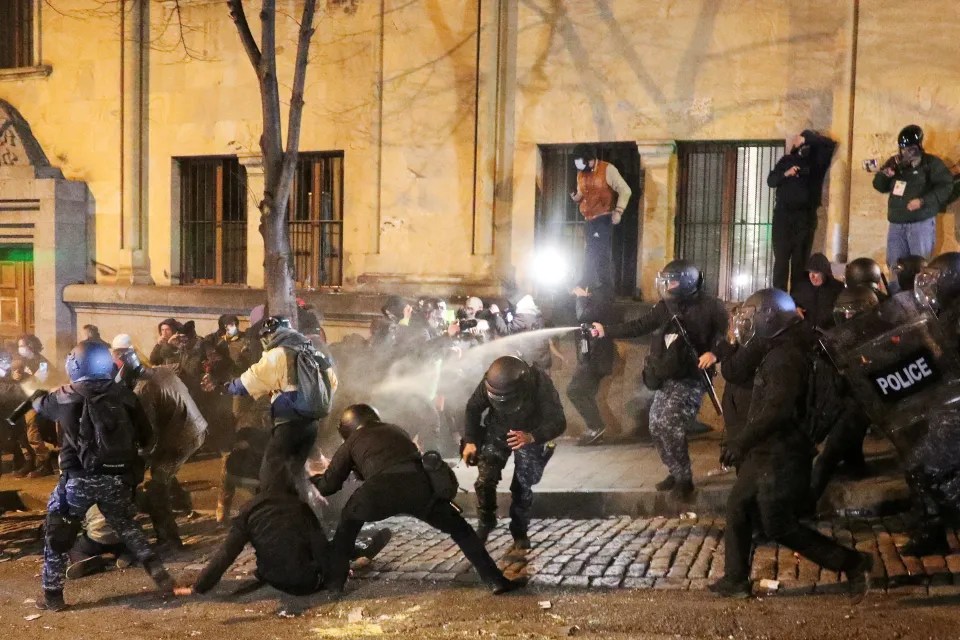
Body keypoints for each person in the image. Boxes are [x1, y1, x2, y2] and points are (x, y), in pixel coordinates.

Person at [709, 289, 872, 600]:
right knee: (739, 508)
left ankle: (855, 562)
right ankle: (735, 578)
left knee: (778, 524)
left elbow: (777, 410)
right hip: (769, 447)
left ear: (769, 317)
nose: (748, 323)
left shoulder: (786, 356)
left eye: (752, 317)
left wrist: (742, 441)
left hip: (782, 451)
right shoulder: (781, 345)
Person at [313, 404, 525, 594]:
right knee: (461, 529)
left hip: (379, 492)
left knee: (346, 527)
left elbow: (329, 485)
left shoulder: (351, 443)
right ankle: (495, 580)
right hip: (419, 489)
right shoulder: (396, 430)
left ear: (348, 428)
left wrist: (308, 482)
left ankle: (335, 585)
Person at [33, 340, 174, 612]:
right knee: (127, 525)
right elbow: (147, 437)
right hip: (118, 478)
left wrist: (37, 395)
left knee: (57, 532)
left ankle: (52, 597)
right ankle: (161, 576)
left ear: (74, 365)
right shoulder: (125, 395)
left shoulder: (64, 395)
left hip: (77, 481)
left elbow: (40, 405)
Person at [593, 259, 727, 499]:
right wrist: (606, 331)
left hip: (691, 377)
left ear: (685, 282)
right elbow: (640, 326)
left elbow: (728, 337)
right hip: (667, 375)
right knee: (655, 426)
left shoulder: (711, 307)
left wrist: (714, 353)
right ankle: (675, 471)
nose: (667, 285)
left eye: (671, 281)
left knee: (670, 423)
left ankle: (684, 480)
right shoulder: (666, 306)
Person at [175, 449, 392, 598]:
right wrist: (335, 580)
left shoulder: (247, 511)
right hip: (307, 583)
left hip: (272, 577)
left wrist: (198, 587)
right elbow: (320, 547)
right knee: (334, 544)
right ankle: (360, 553)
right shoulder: (299, 507)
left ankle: (359, 553)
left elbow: (225, 554)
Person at [206, 316, 334, 515]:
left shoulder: (278, 354)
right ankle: (315, 509)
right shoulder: (310, 350)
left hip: (288, 423)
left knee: (270, 473)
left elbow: (250, 380)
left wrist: (226, 387)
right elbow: (332, 382)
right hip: (311, 424)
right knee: (296, 471)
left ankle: (272, 517)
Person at [462, 356, 566, 546]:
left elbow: (559, 421)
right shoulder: (490, 382)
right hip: (498, 431)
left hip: (529, 433)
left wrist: (532, 436)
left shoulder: (539, 383)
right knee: (484, 480)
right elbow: (472, 408)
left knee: (522, 485)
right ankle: (486, 522)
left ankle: (519, 531)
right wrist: (470, 441)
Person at [114, 346, 207, 550]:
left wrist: (138, 457)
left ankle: (169, 540)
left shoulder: (143, 390)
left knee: (157, 485)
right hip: (194, 427)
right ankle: (182, 502)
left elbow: (149, 434)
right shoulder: (161, 370)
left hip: (182, 439)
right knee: (161, 472)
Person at [873, 125, 954, 293]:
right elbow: (879, 185)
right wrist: (884, 174)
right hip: (896, 225)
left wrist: (923, 201)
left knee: (921, 266)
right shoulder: (896, 164)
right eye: (902, 148)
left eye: (909, 149)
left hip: (920, 225)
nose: (905, 152)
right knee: (896, 266)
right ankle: (897, 304)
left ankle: (921, 305)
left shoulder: (931, 163)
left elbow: (946, 186)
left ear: (918, 146)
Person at [767, 130, 837, 292]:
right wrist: (787, 173)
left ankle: (798, 301)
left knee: (800, 263)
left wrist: (807, 138)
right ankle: (780, 299)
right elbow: (771, 180)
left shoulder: (817, 163)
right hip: (783, 217)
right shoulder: (786, 160)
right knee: (781, 261)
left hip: (805, 217)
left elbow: (828, 144)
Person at [569, 144, 632, 289]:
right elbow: (581, 195)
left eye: (580, 160)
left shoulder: (607, 169)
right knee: (595, 250)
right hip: (589, 219)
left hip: (603, 218)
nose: (578, 164)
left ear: (589, 159)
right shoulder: (581, 174)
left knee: (596, 249)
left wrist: (619, 211)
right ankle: (597, 285)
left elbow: (625, 190)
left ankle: (593, 283)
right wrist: (575, 196)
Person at [568, 285, 617, 445]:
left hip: (594, 360)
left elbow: (583, 315)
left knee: (574, 391)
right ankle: (595, 429)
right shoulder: (595, 301)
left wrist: (581, 297)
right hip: (592, 359)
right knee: (584, 393)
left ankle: (596, 427)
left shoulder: (597, 300)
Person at [12, 334, 56, 478]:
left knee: (32, 430)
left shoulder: (42, 363)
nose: (20, 349)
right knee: (19, 429)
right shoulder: (21, 361)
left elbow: (40, 383)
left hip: (38, 401)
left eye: (22, 346)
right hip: (23, 400)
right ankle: (29, 460)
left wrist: (23, 377)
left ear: (31, 346)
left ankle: (44, 463)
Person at [791, 253, 844, 330]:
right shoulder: (801, 288)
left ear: (825, 273)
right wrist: (795, 308)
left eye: (815, 272)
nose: (812, 276)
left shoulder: (839, 289)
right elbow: (790, 303)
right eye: (810, 272)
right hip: (804, 335)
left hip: (829, 335)